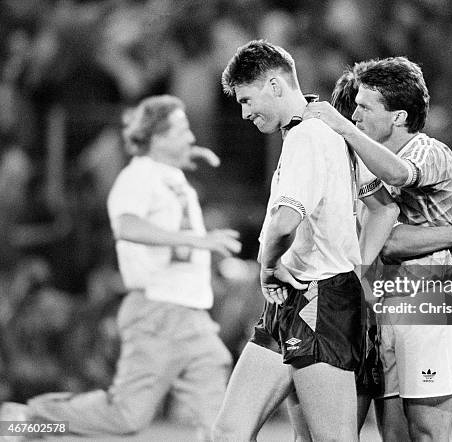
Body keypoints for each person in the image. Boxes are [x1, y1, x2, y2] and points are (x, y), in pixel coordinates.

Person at [0, 95, 241, 439]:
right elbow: (127, 227)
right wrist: (194, 240)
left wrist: (180, 160)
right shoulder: (137, 176)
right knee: (126, 417)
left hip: (193, 318)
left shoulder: (168, 175)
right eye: (182, 130)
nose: (191, 137)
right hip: (157, 312)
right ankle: (31, 417)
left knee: (223, 422)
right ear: (157, 137)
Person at [214, 40, 403, 442]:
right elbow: (384, 208)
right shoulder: (328, 129)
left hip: (320, 299)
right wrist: (358, 264)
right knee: (229, 432)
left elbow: (285, 222)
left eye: (248, 100)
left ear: (275, 84)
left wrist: (268, 266)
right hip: (292, 302)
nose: (245, 113)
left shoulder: (307, 137)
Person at [304, 57, 452, 441]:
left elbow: (392, 229)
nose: (355, 113)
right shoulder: (367, 166)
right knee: (393, 434)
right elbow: (381, 238)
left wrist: (342, 127)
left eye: (364, 107)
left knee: (427, 433)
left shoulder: (429, 152)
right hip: (387, 303)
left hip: (430, 300)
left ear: (398, 117)